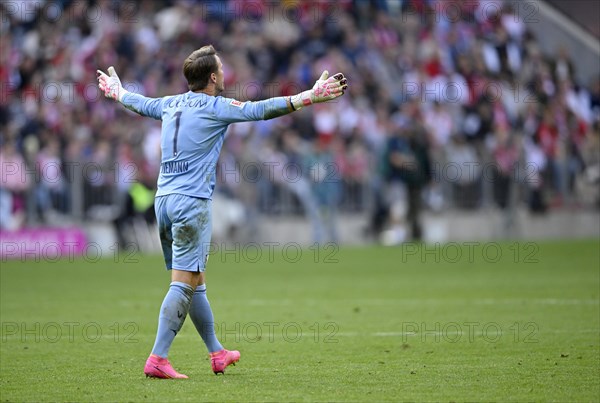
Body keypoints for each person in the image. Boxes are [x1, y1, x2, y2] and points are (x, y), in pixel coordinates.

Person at [96, 45, 347, 379]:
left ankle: (217, 352)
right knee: (182, 284)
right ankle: (158, 357)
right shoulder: (216, 107)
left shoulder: (170, 103)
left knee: (194, 279)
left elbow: (139, 104)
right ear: (213, 77)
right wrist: (309, 97)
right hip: (191, 203)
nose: (226, 73)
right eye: (222, 69)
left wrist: (117, 91)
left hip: (164, 201)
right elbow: (260, 110)